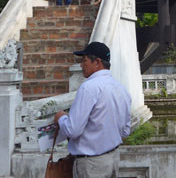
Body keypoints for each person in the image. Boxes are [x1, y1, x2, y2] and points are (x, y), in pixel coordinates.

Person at [54, 42, 131, 178]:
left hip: (91, 163)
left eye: (84, 60)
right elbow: (125, 131)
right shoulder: (121, 88)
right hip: (112, 158)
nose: (81, 65)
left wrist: (61, 118)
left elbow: (73, 130)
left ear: (97, 62)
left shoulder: (89, 88)